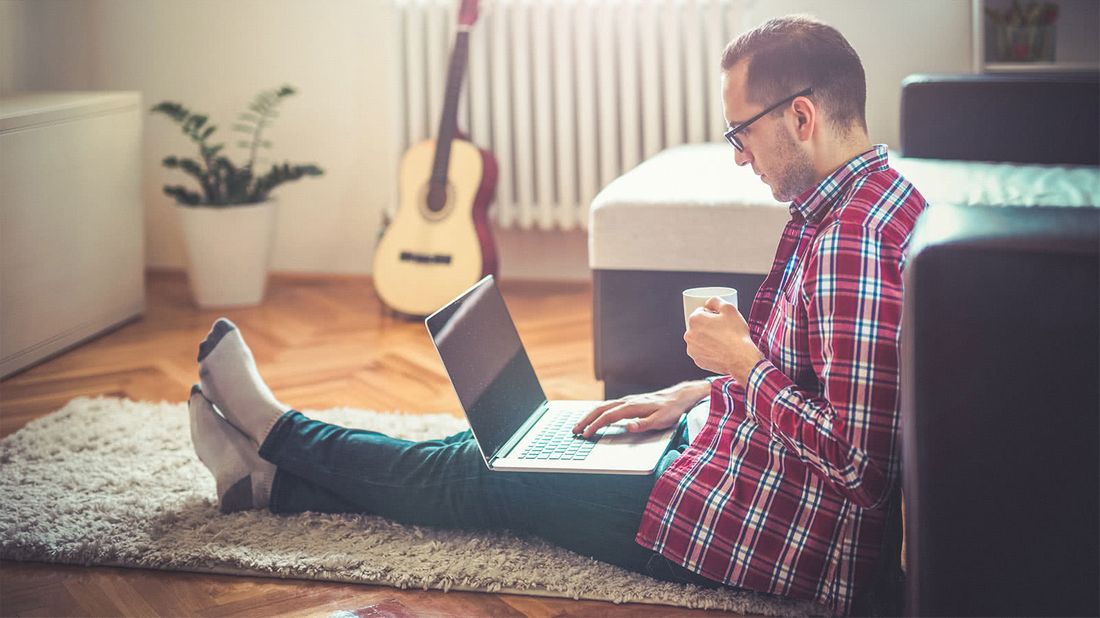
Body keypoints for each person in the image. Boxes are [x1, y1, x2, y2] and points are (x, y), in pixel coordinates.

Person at [187, 14, 926, 616]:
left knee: (489, 476)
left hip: (755, 527)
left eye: (742, 133)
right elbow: (825, 388)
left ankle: (277, 431)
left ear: (801, 116)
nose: (738, 156)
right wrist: (696, 394)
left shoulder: (851, 245)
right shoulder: (871, 199)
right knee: (512, 444)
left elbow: (860, 467)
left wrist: (743, 364)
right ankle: (267, 487)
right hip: (731, 458)